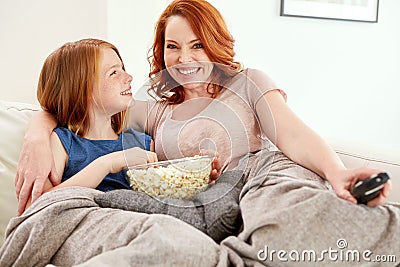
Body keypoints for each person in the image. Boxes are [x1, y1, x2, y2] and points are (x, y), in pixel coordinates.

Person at [11, 0, 400, 266]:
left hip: (261, 181)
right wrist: (36, 132)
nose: (184, 59)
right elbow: (77, 103)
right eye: (173, 47)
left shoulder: (248, 83)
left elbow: (293, 135)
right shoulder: (155, 110)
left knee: (288, 223)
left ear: (214, 45)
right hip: (203, 213)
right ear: (160, 51)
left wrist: (336, 173)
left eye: (197, 45)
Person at [21, 38, 158, 211]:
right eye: (113, 73)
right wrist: (106, 164)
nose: (129, 77)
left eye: (122, 69)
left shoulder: (143, 143)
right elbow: (39, 206)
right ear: (80, 88)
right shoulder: (62, 142)